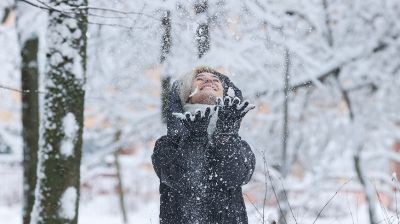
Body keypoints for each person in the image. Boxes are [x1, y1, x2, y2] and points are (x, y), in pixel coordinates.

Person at [152, 66, 256, 224]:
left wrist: (225, 135)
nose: (209, 81)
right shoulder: (167, 145)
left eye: (216, 81)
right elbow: (184, 179)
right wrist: (195, 138)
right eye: (200, 79)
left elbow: (234, 176)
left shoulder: (240, 146)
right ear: (186, 95)